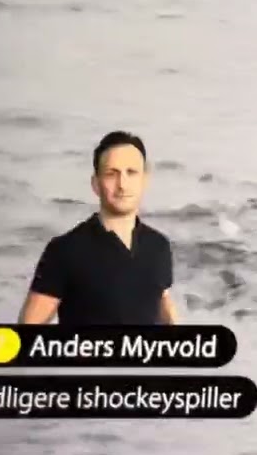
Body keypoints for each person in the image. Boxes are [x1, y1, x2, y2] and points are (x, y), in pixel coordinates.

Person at [18, 131, 179, 325]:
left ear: (144, 180)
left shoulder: (158, 246)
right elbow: (27, 334)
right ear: (96, 184)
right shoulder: (65, 250)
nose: (122, 184)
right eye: (112, 174)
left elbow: (161, 304)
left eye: (131, 172)